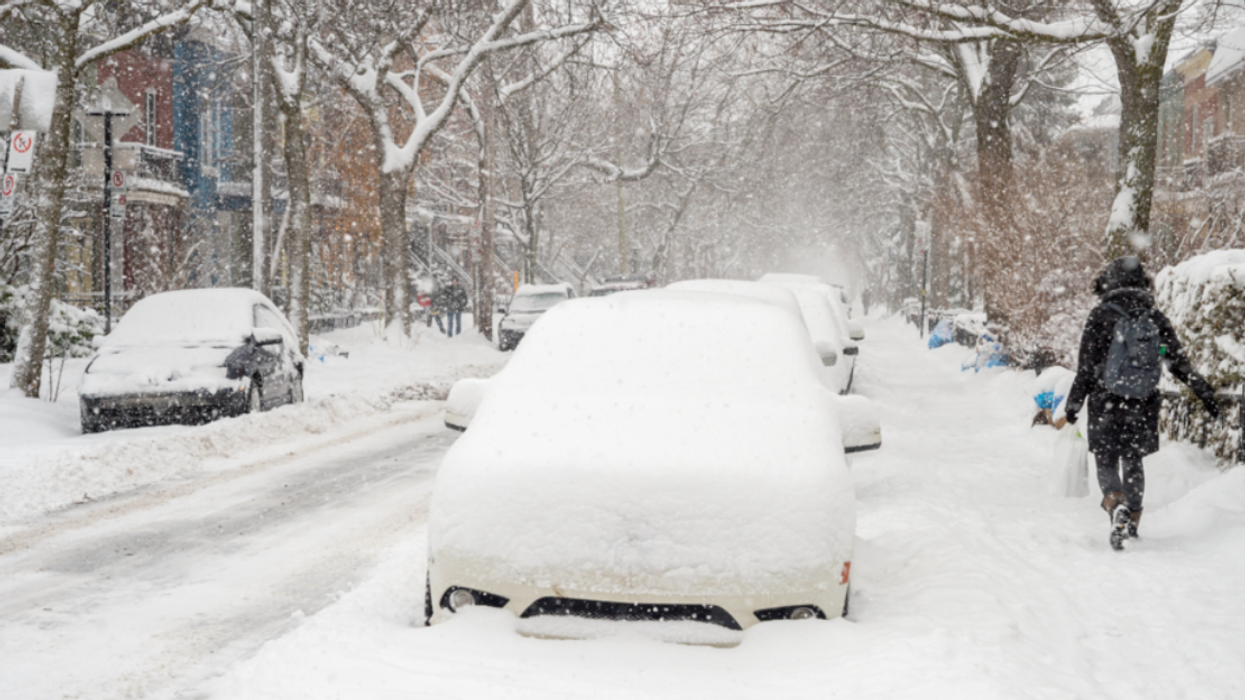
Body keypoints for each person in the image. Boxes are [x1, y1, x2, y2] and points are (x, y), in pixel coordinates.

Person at [1064, 257, 1221, 550]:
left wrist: (1073, 405)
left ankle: (1116, 505)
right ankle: (1132, 521)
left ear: (1108, 282)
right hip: (1142, 402)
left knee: (1107, 458)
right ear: (1142, 282)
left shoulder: (1100, 316)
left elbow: (1085, 367)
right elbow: (1176, 361)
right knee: (1132, 459)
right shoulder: (1154, 317)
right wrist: (1204, 392)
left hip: (1104, 402)